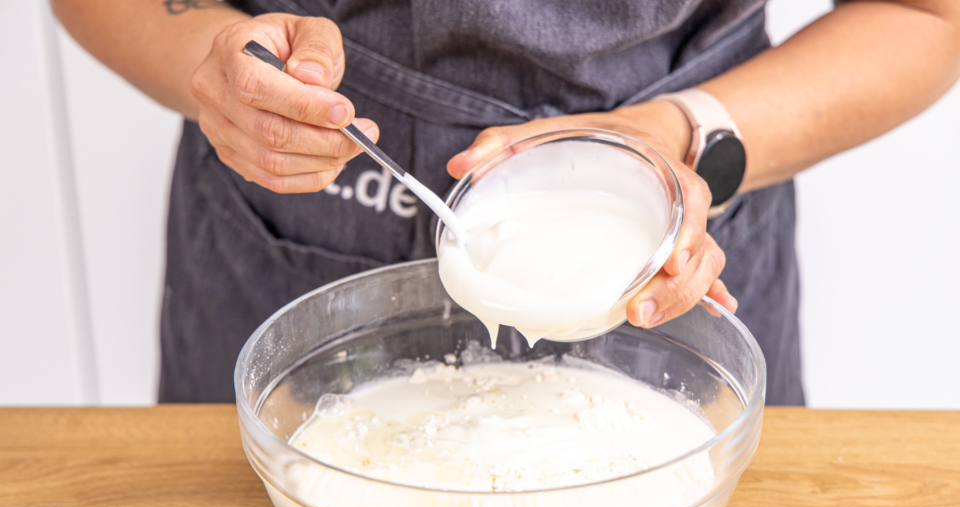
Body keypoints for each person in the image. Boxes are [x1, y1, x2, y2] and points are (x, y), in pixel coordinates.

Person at [53, 0, 960, 405]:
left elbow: (926, 15)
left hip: (678, 221)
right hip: (295, 230)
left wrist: (682, 136)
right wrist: (215, 63)